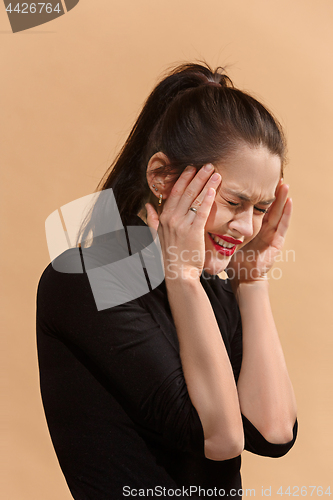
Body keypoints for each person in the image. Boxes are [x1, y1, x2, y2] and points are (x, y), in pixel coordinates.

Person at [36, 63, 298, 500]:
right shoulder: (85, 279)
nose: (246, 227)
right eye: (234, 201)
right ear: (161, 177)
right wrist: (182, 277)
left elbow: (272, 431)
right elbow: (222, 440)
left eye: (260, 208)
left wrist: (251, 283)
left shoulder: (211, 284)